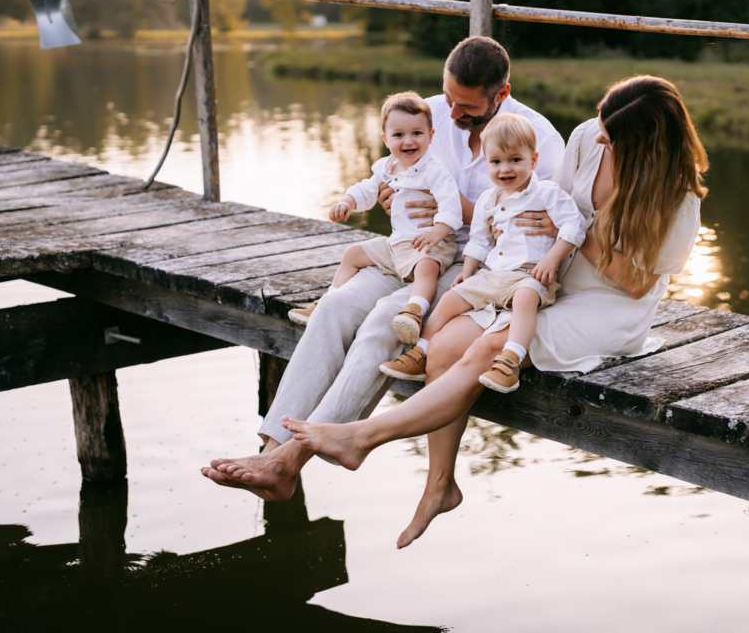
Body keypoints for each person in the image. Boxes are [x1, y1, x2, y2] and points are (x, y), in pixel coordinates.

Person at [281, 75, 709, 548]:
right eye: (602, 128)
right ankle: (440, 486)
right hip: (547, 272)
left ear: (646, 145)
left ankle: (361, 436)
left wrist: (574, 236)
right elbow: (545, 201)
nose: (600, 138)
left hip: (609, 303)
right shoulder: (590, 135)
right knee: (442, 346)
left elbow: (633, 282)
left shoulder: (678, 197)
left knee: (490, 346)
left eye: (612, 138)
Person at [202, 36, 565, 501]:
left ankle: (288, 462)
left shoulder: (539, 140)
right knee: (335, 307)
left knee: (382, 324)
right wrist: (392, 196)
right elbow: (389, 177)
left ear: (502, 93)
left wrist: (455, 209)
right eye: (449, 99)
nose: (452, 114)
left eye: (467, 107)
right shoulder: (429, 114)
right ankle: (272, 449)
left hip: (470, 266)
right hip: (403, 249)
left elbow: (544, 226)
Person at [380, 113, 585, 392]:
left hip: (528, 274)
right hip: (492, 275)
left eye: (515, 160)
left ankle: (511, 360)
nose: (505, 169)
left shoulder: (546, 193)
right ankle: (421, 352)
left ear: (533, 160)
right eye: (496, 162)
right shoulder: (489, 199)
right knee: (450, 299)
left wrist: (552, 258)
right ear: (487, 162)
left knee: (525, 298)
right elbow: (479, 240)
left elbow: (574, 226)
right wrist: (466, 272)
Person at [297, 91, 462, 345]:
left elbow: (451, 206)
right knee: (352, 253)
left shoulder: (435, 171)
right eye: (398, 135)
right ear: (386, 139)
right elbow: (366, 189)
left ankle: (414, 311)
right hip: (397, 244)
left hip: (429, 243)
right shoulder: (386, 167)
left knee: (426, 267)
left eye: (417, 133)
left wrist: (436, 233)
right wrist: (347, 201)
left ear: (430, 136)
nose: (408, 141)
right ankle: (327, 301)